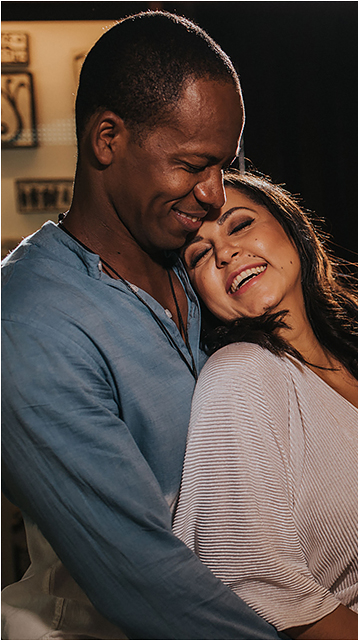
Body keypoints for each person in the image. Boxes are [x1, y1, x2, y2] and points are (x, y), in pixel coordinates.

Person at [1, 12, 282, 639]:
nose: (214, 194)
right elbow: (146, 585)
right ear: (107, 139)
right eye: (192, 164)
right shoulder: (29, 324)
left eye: (223, 166)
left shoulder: (194, 261)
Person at [171, 170, 358, 640]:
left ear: (289, 226)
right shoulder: (240, 377)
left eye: (239, 225)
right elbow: (250, 582)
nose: (226, 253)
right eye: (199, 254)